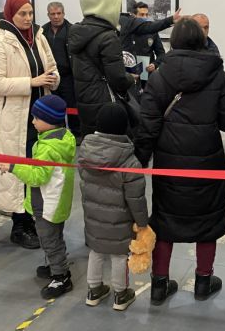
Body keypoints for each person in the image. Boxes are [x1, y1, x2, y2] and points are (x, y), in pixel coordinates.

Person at [134, 17, 225, 305]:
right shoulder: (219, 76)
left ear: (174, 41)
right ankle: (204, 280)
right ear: (202, 40)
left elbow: (148, 124)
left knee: (165, 219)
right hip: (208, 162)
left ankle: (159, 284)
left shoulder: (159, 76)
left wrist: (139, 160)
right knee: (207, 220)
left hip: (169, 161)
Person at [0, 0, 60, 249]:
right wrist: (31, 82)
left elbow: (51, 66)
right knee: (17, 171)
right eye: (22, 14)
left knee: (38, 168)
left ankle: (35, 217)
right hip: (14, 119)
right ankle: (20, 224)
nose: (28, 18)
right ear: (10, 15)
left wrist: (52, 79)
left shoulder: (39, 37)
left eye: (30, 13)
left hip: (41, 116)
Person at [0, 95, 76, 299]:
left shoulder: (48, 148)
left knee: (50, 241)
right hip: (58, 201)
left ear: (49, 121)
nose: (33, 122)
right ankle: (56, 265)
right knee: (55, 237)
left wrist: (13, 167)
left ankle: (61, 276)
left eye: (36, 118)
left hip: (47, 204)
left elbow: (37, 176)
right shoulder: (63, 137)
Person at [78, 103, 148, 311]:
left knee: (96, 251)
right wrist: (142, 223)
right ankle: (120, 293)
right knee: (119, 256)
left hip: (93, 217)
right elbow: (136, 198)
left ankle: (94, 290)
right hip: (120, 222)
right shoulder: (129, 161)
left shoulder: (85, 153)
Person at [68, 0, 136, 136]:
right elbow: (118, 79)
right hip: (106, 103)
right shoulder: (108, 37)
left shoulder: (76, 33)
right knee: (111, 149)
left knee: (92, 144)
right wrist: (131, 78)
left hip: (85, 100)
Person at [42, 1, 80, 139]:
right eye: (53, 14)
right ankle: (59, 133)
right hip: (51, 76)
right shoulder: (42, 31)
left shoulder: (72, 29)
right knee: (54, 106)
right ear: (48, 15)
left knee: (71, 105)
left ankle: (76, 133)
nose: (56, 17)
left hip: (68, 75)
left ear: (63, 14)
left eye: (59, 13)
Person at [129, 2, 166, 77]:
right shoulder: (127, 31)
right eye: (142, 15)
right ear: (134, 16)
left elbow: (161, 54)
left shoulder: (153, 31)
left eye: (146, 14)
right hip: (130, 75)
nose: (145, 17)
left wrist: (155, 64)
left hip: (148, 75)